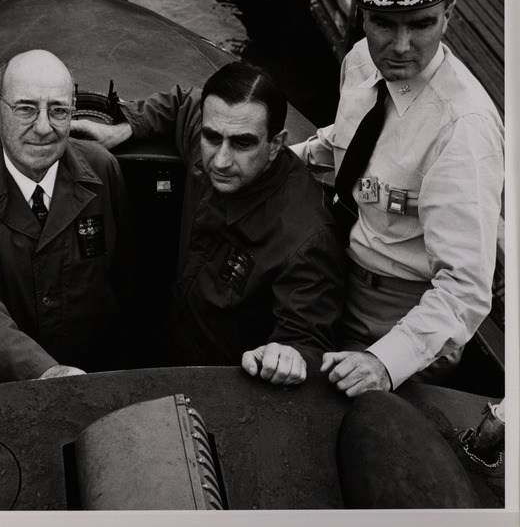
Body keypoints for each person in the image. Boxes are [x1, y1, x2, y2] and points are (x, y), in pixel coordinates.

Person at [291, 0, 504, 396]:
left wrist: (384, 363)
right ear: (362, 15)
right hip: (336, 268)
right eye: (384, 23)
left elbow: (464, 290)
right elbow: (344, 143)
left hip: (403, 311)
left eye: (422, 23)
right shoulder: (361, 65)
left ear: (448, 16)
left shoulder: (463, 128)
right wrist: (281, 162)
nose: (401, 46)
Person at [72, 62, 343, 386]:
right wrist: (126, 127)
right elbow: (184, 103)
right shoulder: (210, 145)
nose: (221, 161)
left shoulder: (305, 240)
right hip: (172, 340)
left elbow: (307, 344)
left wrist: (287, 356)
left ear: (276, 144)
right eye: (212, 137)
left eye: (243, 144)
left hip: (222, 386)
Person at [0, 50, 132, 383]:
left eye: (58, 110)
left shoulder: (102, 168)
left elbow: (121, 277)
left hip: (90, 378)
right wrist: (41, 370)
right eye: (26, 108)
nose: (43, 127)